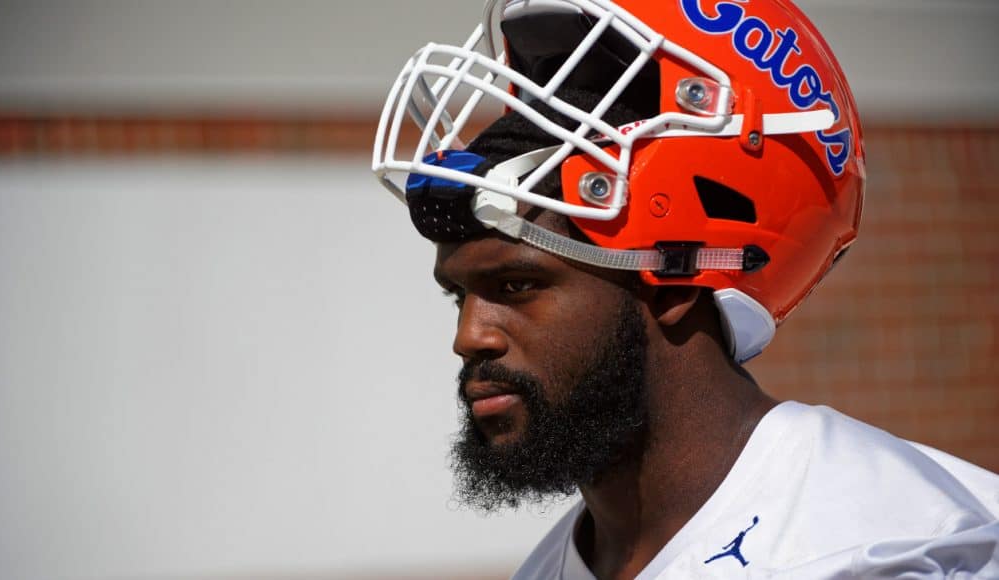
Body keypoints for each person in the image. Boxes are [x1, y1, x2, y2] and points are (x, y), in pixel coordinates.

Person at [371, 0, 999, 577]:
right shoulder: (547, 568)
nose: (468, 337)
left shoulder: (894, 548)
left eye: (517, 283)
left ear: (672, 284)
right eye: (459, 295)